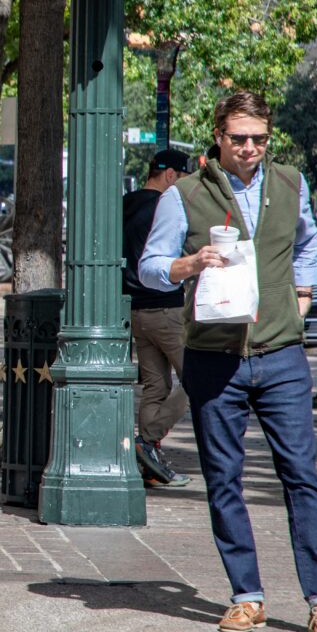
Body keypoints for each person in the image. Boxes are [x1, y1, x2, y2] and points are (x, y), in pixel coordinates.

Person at [138, 91, 317, 632]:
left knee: (301, 477)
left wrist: (301, 298)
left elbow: (309, 246)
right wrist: (188, 263)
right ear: (219, 135)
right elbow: (151, 269)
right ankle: (245, 596)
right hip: (213, 358)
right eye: (239, 138)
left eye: (259, 138)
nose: (250, 148)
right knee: (223, 479)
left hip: (280, 356)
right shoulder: (184, 195)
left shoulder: (291, 184)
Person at [123, 148, 193, 488]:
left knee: (157, 386)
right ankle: (147, 441)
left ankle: (147, 463)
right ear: (170, 176)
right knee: (197, 379)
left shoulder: (125, 204)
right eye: (182, 178)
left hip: (136, 312)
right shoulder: (167, 208)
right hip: (166, 309)